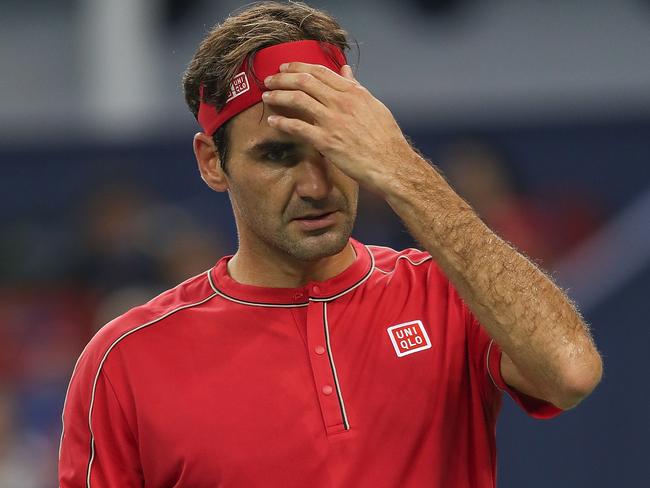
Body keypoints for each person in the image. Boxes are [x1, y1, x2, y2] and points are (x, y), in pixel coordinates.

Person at [58, 2, 603, 487]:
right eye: (278, 155)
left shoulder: (449, 292)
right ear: (211, 162)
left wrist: (404, 170)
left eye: (335, 147)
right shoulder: (125, 359)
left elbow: (570, 372)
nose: (317, 186)